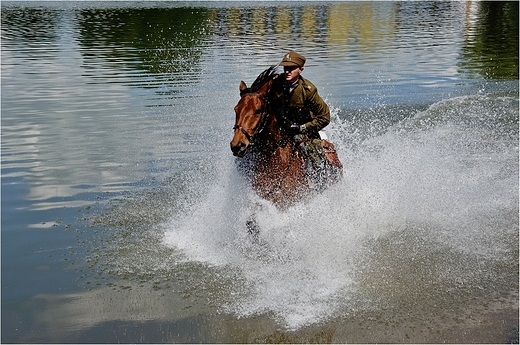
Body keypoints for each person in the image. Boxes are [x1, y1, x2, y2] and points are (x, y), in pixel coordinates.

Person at [268, 50, 331, 189]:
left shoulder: (308, 90)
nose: (287, 72)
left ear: (300, 70)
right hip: (280, 127)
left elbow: (325, 117)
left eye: (292, 68)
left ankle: (320, 187)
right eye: (285, 68)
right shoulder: (275, 83)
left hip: (304, 131)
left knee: (316, 158)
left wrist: (302, 128)